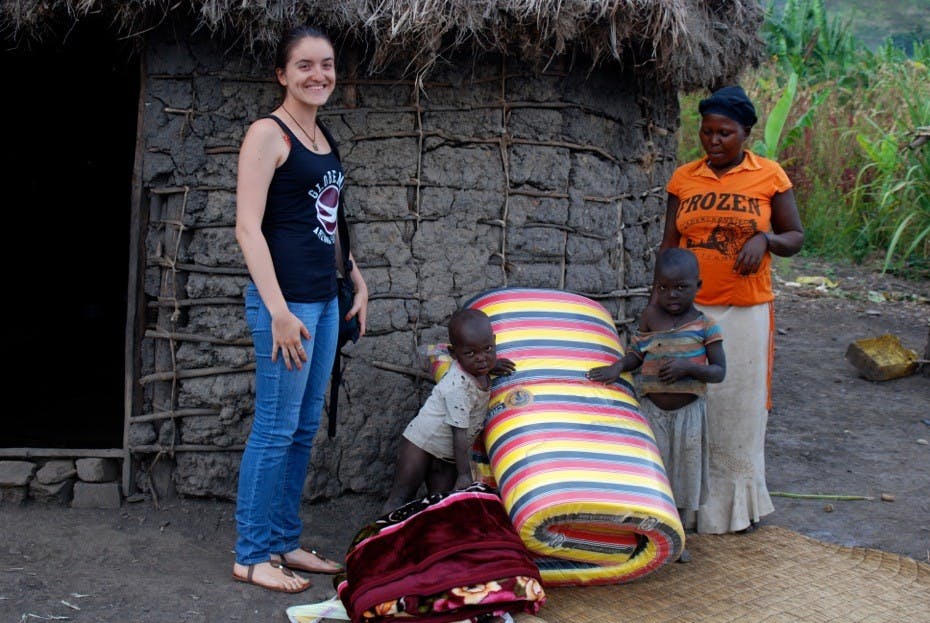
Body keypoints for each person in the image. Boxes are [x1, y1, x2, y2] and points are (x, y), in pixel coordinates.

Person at [232, 25, 369, 594]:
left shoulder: (321, 134)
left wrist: (355, 277)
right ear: (282, 75)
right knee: (274, 428)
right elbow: (247, 227)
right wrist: (278, 310)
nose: (319, 75)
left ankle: (284, 538)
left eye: (328, 64)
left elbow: (329, 218)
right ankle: (251, 553)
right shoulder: (269, 133)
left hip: (325, 300)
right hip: (285, 308)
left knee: (303, 427)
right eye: (306, 66)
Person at [659, 85, 804, 535]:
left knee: (738, 409)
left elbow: (795, 237)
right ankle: (686, 506)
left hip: (745, 313)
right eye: (706, 132)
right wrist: (659, 308)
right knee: (685, 406)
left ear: (745, 134)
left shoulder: (769, 176)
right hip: (691, 310)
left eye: (724, 133)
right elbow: (669, 247)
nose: (713, 141)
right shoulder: (685, 179)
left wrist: (765, 240)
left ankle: (735, 510)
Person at [587, 248, 726, 562]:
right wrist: (616, 368)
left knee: (682, 474)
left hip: (689, 415)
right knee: (652, 472)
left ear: (698, 286)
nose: (671, 294)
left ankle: (675, 538)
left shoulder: (706, 324)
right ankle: (643, 536)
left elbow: (719, 372)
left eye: (681, 287)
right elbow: (638, 354)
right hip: (652, 411)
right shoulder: (650, 318)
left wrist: (688, 369)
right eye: (663, 287)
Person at [380, 309, 515, 515]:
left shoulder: (481, 369)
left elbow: (483, 359)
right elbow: (458, 433)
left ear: (494, 341)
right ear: (454, 354)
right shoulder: (458, 387)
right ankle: (379, 541)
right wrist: (463, 474)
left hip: (448, 454)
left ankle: (426, 544)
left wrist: (492, 364)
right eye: (470, 353)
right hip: (421, 445)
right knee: (400, 498)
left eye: (487, 349)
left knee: (439, 506)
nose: (481, 359)